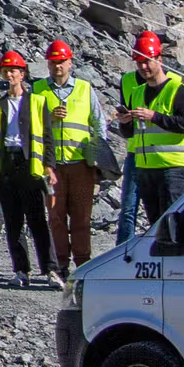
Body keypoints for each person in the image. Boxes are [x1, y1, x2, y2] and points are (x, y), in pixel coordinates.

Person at [34, 39, 112, 281]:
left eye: (62, 61)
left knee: (81, 216)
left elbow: (98, 124)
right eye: (54, 62)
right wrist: (49, 116)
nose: (58, 66)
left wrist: (99, 158)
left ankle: (83, 264)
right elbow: (30, 123)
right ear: (48, 64)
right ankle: (60, 265)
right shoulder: (38, 90)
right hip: (52, 165)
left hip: (80, 164)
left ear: (70, 62)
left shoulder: (85, 89)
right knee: (56, 216)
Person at [0, 49, 54, 285]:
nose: (9, 75)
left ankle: (50, 269)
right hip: (5, 167)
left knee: (37, 220)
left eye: (13, 71)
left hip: (29, 165)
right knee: (13, 222)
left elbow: (47, 135)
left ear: (22, 74)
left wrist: (49, 167)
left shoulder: (36, 101)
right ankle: (21, 270)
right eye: (5, 71)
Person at [117, 30, 184, 238]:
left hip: (173, 169)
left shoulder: (178, 89)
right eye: (139, 63)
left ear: (159, 59)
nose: (144, 67)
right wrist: (125, 123)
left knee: (177, 229)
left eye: (147, 61)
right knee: (157, 229)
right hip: (146, 169)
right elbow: (133, 134)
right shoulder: (138, 92)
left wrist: (154, 116)